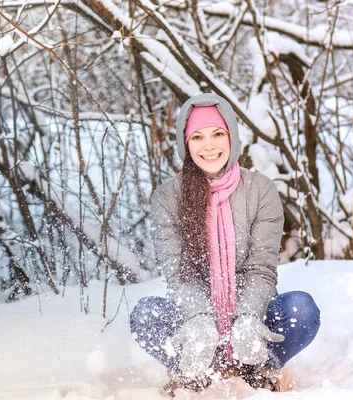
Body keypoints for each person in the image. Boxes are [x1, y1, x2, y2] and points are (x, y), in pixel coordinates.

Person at [130, 93, 320, 394]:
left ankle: (263, 368)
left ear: (231, 136)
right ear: (186, 143)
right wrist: (199, 321)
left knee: (301, 308)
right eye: (198, 137)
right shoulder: (168, 198)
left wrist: (247, 320)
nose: (209, 145)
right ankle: (190, 372)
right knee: (146, 315)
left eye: (218, 134)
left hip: (251, 327)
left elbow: (261, 269)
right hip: (196, 327)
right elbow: (179, 272)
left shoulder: (260, 190)